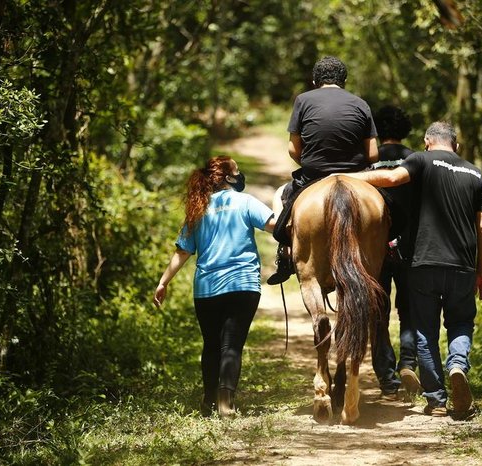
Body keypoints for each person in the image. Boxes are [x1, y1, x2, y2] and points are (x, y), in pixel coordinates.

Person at [343, 121, 482, 419]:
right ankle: (458, 365)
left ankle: (436, 400)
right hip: (462, 264)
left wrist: (345, 176)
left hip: (423, 263)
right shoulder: (475, 173)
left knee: (425, 330)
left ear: (426, 142)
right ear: (456, 145)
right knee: (461, 322)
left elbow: (393, 177)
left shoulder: (421, 160)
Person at [153, 156, 275, 418]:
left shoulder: (199, 208)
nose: (240, 174)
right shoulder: (245, 201)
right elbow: (275, 226)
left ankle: (208, 401)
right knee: (231, 344)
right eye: (237, 171)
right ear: (229, 177)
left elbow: (182, 252)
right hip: (242, 285)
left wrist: (163, 282)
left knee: (211, 344)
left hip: (206, 289)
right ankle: (225, 401)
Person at [267, 55, 379, 285]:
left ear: (315, 80)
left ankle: (286, 254)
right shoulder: (361, 103)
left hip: (313, 175)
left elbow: (292, 148)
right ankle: (391, 254)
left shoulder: (303, 100)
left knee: (281, 195)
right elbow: (373, 154)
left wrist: (310, 163)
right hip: (356, 176)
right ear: (344, 80)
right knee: (389, 210)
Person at [368, 105, 420, 398]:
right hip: (411, 247)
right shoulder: (417, 159)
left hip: (374, 250)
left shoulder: (367, 161)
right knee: (409, 310)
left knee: (378, 313)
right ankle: (408, 363)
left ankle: (387, 379)